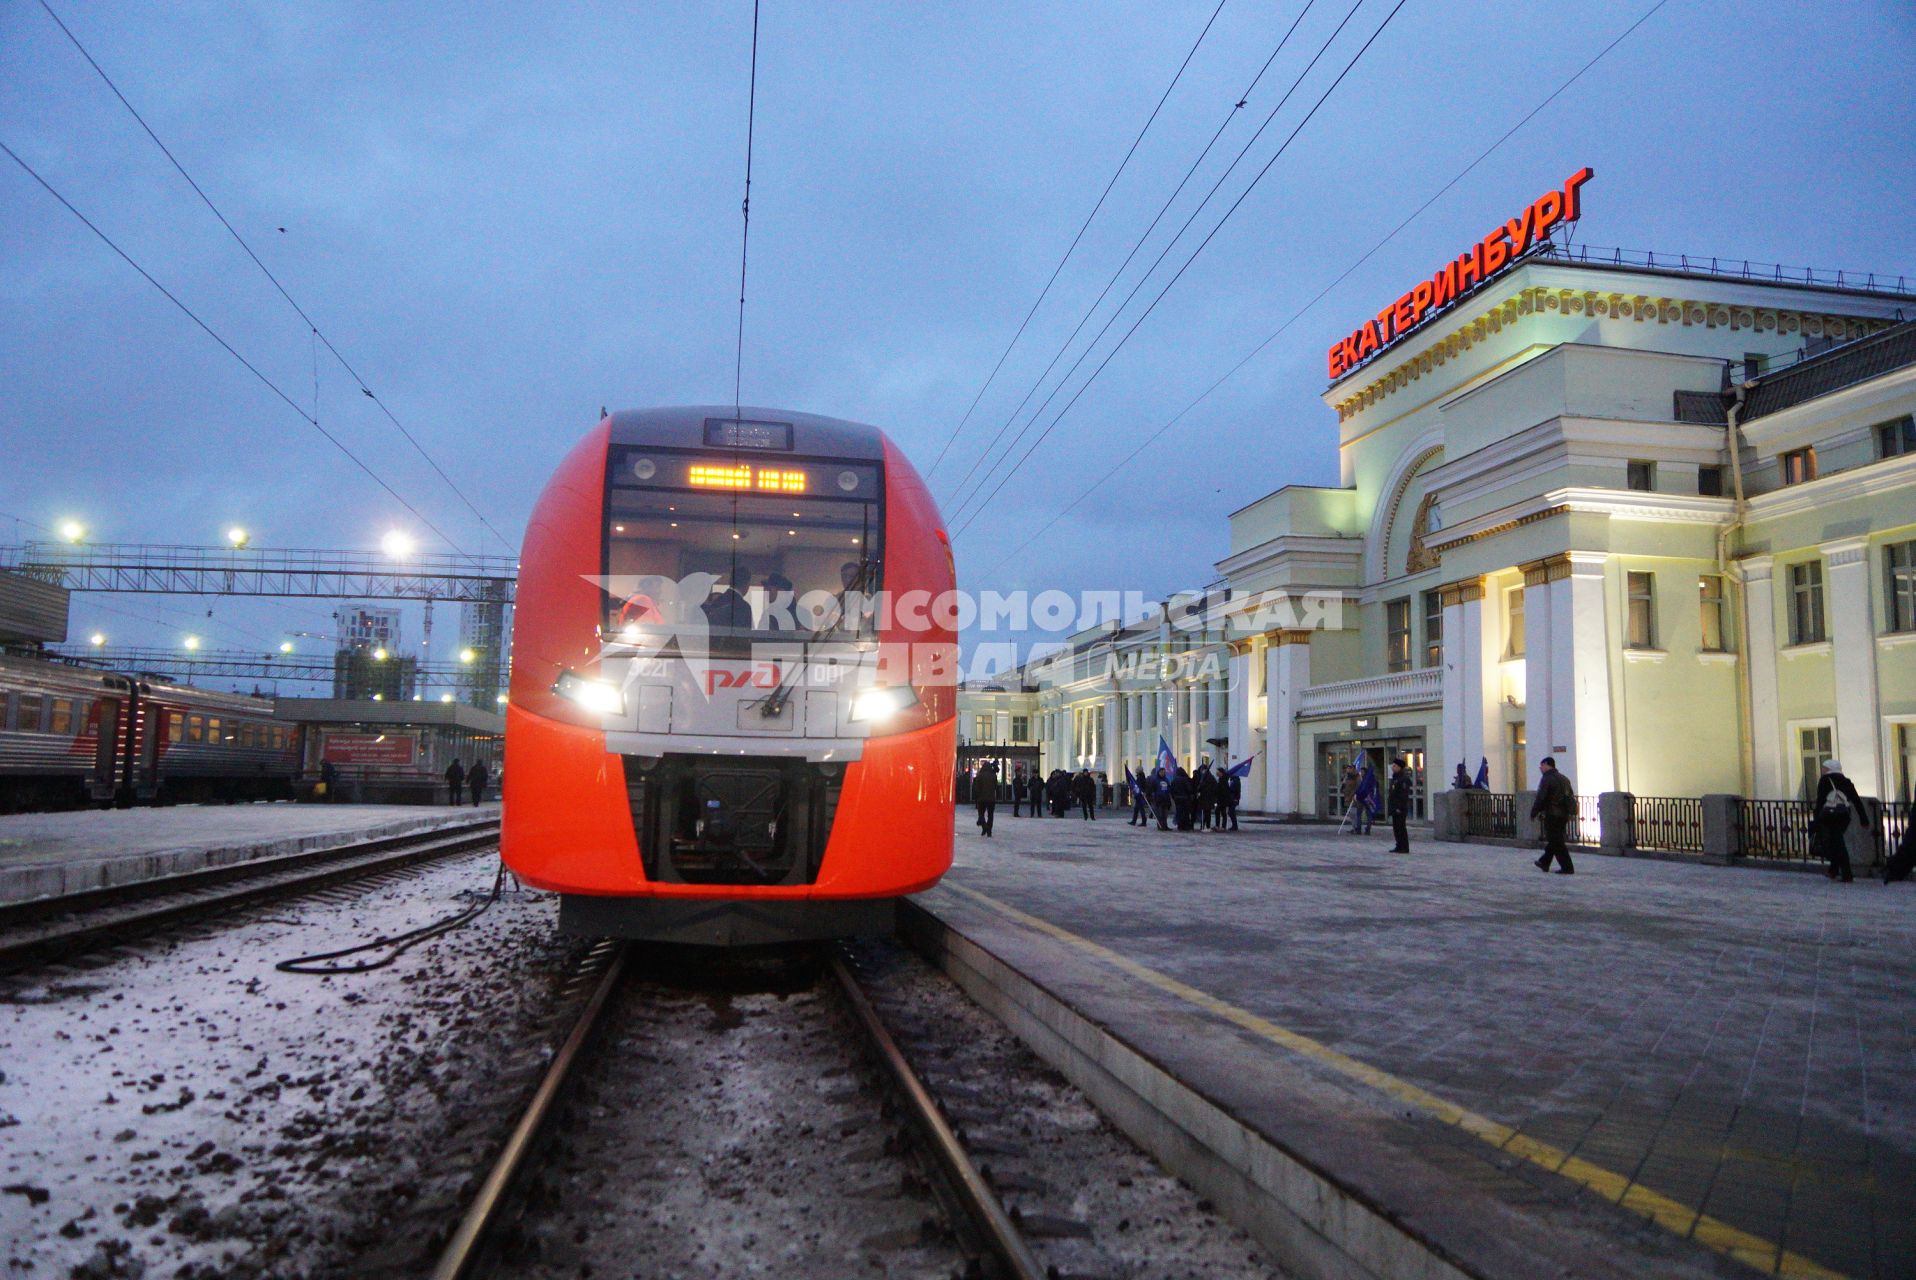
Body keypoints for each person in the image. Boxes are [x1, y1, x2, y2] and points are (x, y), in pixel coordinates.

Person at [1810, 759, 1864, 883]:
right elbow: (1856, 800)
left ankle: (1847, 874)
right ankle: (1833, 870)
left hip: (1829, 816)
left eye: (1824, 768)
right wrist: (1863, 819)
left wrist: (1817, 817)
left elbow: (1821, 800)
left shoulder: (1825, 781)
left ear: (1829, 769)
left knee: (1837, 844)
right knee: (1837, 841)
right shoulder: (1846, 781)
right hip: (1844, 816)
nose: (1822, 770)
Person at [1530, 756, 1575, 874]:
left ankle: (1567, 867)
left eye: (1541, 765)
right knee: (1555, 839)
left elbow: (1541, 797)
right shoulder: (1564, 778)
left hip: (1552, 813)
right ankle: (1544, 862)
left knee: (1556, 841)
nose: (1540, 768)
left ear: (1547, 764)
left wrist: (1534, 811)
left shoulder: (1547, 778)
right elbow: (1570, 796)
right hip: (1563, 814)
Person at [1386, 757, 1412, 853]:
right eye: (1393, 765)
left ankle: (1404, 847)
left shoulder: (1403, 779)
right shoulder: (1395, 777)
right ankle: (1399, 845)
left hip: (1400, 808)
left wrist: (1399, 807)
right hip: (1394, 807)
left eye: (1395, 766)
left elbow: (1403, 795)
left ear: (1400, 767)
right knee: (1396, 828)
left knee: (1401, 828)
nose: (1393, 767)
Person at [974, 761, 998, 837]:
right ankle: (989, 831)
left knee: (981, 814)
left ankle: (984, 827)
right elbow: (996, 787)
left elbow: (977, 787)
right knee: (990, 815)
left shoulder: (979, 775)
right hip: (991, 799)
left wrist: (977, 796)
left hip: (981, 799)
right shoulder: (993, 775)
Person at [1170, 766, 1195, 831]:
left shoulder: (1174, 780)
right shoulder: (1185, 779)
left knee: (1179, 812)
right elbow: (1189, 789)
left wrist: (1174, 797)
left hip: (1177, 799)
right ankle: (1185, 826)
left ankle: (1180, 825)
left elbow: (1171, 790)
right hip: (1185, 798)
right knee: (1185, 813)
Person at [1195, 764, 1218, 831]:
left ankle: (1205, 826)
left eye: (1202, 770)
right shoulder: (1207, 777)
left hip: (1207, 798)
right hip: (1206, 798)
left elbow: (1214, 787)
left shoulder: (1208, 777)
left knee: (1206, 813)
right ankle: (1205, 826)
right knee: (1206, 812)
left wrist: (1201, 787)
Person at [1222, 766, 1241, 831]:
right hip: (1232, 798)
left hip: (1234, 799)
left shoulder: (1235, 781)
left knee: (1231, 812)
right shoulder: (1233, 780)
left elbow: (1234, 790)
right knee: (1231, 812)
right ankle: (1234, 825)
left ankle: (1235, 826)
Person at [1151, 766, 1171, 831]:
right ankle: (1160, 826)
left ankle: (1165, 826)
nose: (1163, 773)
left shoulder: (1166, 779)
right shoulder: (1155, 780)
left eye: (1164, 772)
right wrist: (1154, 797)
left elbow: (1169, 788)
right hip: (1158, 799)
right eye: (1162, 772)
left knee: (1165, 814)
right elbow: (1152, 789)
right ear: (1159, 772)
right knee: (1159, 814)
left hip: (1166, 799)